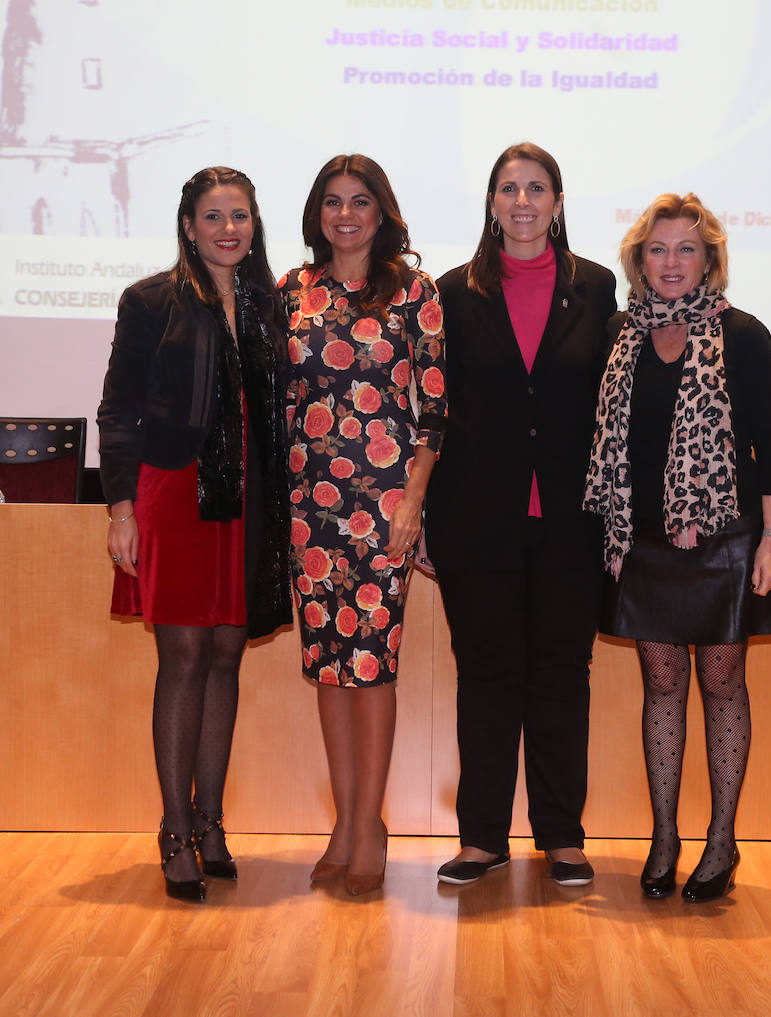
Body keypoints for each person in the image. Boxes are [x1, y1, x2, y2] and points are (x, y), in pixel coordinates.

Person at [583, 193, 771, 902]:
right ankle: (665, 835)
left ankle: (722, 839)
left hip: (727, 541)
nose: (671, 263)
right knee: (662, 687)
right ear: (640, 260)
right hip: (642, 541)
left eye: (686, 250)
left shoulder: (745, 334)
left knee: (722, 685)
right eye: (658, 249)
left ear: (709, 260)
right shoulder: (619, 333)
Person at [97, 167, 291, 903]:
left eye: (240, 214)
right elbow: (117, 410)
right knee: (182, 654)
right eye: (214, 216)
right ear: (187, 225)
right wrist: (120, 506)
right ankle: (174, 828)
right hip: (173, 490)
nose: (228, 229)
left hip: (249, 494)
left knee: (226, 654)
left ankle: (212, 821)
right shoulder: (151, 301)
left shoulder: (271, 304)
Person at [427, 143, 616, 888]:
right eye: (509, 188)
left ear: (559, 203)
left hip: (573, 521)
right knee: (487, 674)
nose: (523, 200)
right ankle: (482, 839)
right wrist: (429, 519)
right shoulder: (454, 291)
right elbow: (435, 409)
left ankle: (562, 837)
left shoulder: (597, 289)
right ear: (492, 202)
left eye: (537, 188)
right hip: (478, 521)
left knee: (563, 674)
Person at [281, 154, 446, 896]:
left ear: (383, 213)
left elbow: (436, 414)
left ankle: (370, 826)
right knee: (328, 666)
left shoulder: (416, 292)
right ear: (318, 212)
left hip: (383, 506)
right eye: (333, 202)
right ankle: (344, 823)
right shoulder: (291, 290)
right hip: (309, 507)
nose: (346, 214)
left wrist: (413, 502)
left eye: (361, 202)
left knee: (371, 664)